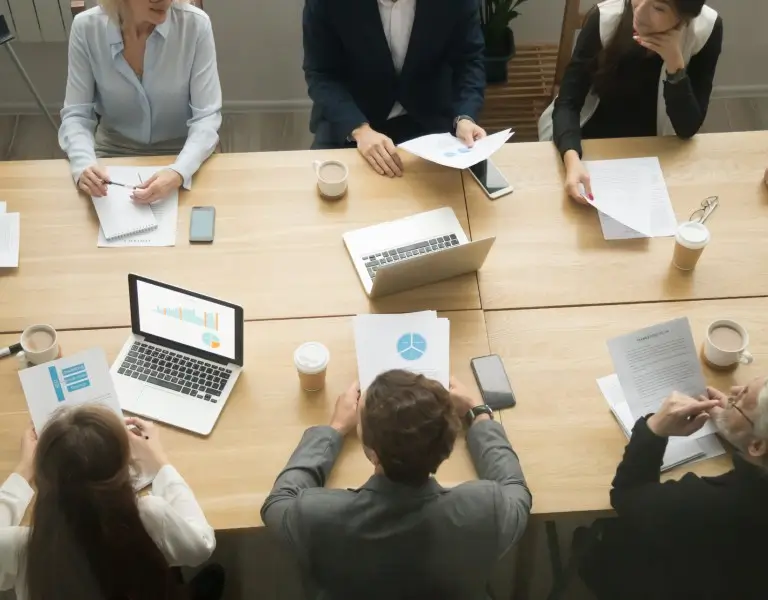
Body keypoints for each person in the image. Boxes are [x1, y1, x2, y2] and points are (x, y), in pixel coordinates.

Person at [261, 369, 532, 599]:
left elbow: (278, 501)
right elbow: (515, 486)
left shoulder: (317, 516)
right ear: (447, 446)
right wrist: (478, 412)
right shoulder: (486, 511)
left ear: (372, 452)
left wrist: (334, 429)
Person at [0, 405, 222, 600]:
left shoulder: (22, 549)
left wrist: (22, 471)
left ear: (43, 479)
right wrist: (160, 462)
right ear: (127, 468)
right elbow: (201, 546)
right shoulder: (150, 517)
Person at [579, 377, 768, 600]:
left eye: (742, 397)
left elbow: (626, 495)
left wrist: (654, 429)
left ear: (757, 446)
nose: (734, 391)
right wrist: (741, 429)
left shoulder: (706, 503)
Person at [539, 0, 723, 203]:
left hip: (656, 150)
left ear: (684, 19)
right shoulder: (606, 19)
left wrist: (674, 62)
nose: (640, 11)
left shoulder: (706, 29)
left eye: (658, 8)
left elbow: (687, 127)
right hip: (589, 143)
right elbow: (567, 103)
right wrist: (572, 160)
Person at [59, 0, 222, 203]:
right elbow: (76, 114)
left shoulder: (195, 25)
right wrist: (84, 164)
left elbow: (206, 117)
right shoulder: (86, 28)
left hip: (181, 149)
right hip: (112, 149)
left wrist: (179, 172)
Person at [302, 0, 487, 178]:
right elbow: (321, 73)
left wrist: (465, 116)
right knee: (329, 194)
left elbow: (469, 60)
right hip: (351, 114)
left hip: (428, 113)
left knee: (454, 198)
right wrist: (358, 129)